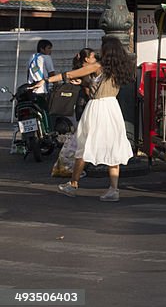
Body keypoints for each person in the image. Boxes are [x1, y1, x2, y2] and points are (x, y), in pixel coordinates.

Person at [41, 36, 134, 202]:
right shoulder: (120, 67)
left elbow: (69, 74)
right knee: (113, 147)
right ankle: (114, 189)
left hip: (97, 108)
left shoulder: (98, 66)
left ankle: (73, 184)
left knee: (84, 144)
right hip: (112, 108)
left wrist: (46, 80)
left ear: (107, 50)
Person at [69, 47, 97, 119]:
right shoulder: (85, 71)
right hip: (85, 103)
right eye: (93, 57)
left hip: (81, 103)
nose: (95, 59)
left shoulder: (80, 69)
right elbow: (87, 90)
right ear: (87, 59)